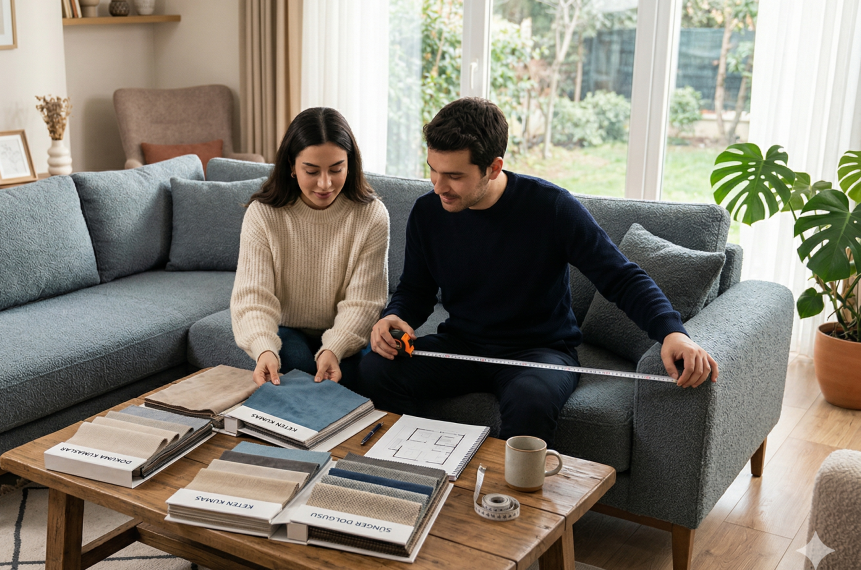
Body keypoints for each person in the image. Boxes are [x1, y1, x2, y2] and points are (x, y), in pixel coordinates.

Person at [360, 98, 718, 444]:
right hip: (462, 345)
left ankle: (502, 500)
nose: (438, 187)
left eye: (453, 176)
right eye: (432, 170)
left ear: (494, 167)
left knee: (531, 400)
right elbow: (415, 290)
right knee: (376, 368)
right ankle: (418, 467)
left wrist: (673, 333)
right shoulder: (428, 212)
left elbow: (620, 277)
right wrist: (395, 317)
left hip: (540, 352)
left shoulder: (552, 207)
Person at [231, 107, 390, 388]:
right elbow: (253, 297)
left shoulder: (372, 215)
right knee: (298, 373)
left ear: (350, 164)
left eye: (337, 169)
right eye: (312, 171)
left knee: (362, 376)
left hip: (347, 328)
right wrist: (264, 349)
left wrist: (334, 348)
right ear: (292, 166)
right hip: (287, 327)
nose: (325, 183)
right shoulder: (263, 214)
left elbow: (365, 302)